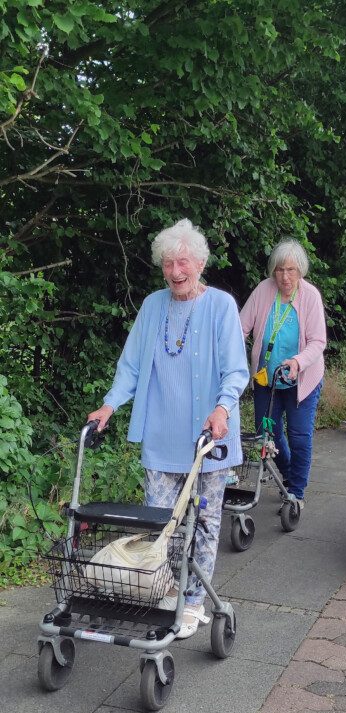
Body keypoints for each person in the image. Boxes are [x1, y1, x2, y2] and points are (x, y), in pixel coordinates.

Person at [87, 219, 250, 638]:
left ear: (200, 263)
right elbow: (132, 365)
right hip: (162, 435)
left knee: (207, 521)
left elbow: (236, 370)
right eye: (167, 263)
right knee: (162, 522)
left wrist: (222, 408)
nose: (176, 271)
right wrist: (109, 404)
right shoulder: (152, 306)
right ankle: (167, 588)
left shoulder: (221, 306)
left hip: (208, 438)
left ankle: (195, 601)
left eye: (183, 262)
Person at [240, 238, 326, 507]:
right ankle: (288, 475)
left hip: (302, 379)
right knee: (267, 432)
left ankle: (297, 493)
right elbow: (240, 328)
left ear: (300, 271)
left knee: (299, 435)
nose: (284, 276)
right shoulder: (264, 290)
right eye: (279, 270)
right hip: (268, 378)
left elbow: (318, 342)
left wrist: (298, 361)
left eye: (290, 270)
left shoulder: (310, 296)